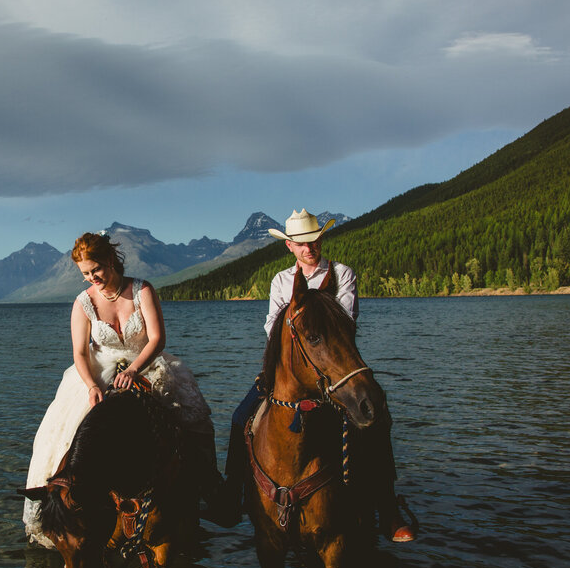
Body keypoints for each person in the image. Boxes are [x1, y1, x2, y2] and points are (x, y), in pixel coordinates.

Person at [23, 232, 232, 548]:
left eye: (96, 270)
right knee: (66, 432)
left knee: (192, 416)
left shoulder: (142, 290)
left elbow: (157, 339)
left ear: (110, 261)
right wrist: (92, 385)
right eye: (85, 274)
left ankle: (208, 488)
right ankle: (66, 508)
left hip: (144, 364)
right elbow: (80, 353)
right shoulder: (83, 304)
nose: (92, 278)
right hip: (99, 371)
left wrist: (135, 370)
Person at [229, 208, 415, 542]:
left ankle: (387, 509)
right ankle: (233, 498)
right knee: (239, 416)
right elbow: (272, 326)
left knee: (376, 417)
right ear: (289, 246)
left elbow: (343, 322)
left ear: (321, 238)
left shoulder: (342, 273)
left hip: (334, 365)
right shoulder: (281, 281)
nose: (309, 247)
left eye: (313, 240)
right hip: (286, 367)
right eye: (301, 243)